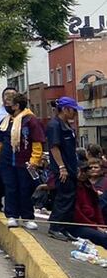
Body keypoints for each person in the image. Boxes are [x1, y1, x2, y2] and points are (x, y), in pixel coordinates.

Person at [0, 92, 45, 230]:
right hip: (7, 161)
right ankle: (12, 216)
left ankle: (27, 217)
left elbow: (37, 142)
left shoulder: (30, 120)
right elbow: (1, 142)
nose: (6, 106)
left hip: (25, 162)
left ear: (16, 106)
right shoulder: (5, 121)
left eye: (8, 103)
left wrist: (34, 160)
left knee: (25, 189)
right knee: (10, 188)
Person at [48, 96, 83, 241]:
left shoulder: (67, 125)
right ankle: (55, 228)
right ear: (65, 109)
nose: (75, 113)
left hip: (71, 168)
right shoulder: (55, 125)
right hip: (63, 169)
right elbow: (54, 147)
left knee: (70, 199)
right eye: (73, 110)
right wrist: (61, 167)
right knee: (63, 198)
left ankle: (64, 228)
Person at [71, 159, 107, 247]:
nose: (82, 174)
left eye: (85, 171)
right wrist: (96, 227)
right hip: (79, 225)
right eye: (80, 172)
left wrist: (102, 225)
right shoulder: (73, 188)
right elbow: (77, 214)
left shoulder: (89, 187)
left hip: (92, 223)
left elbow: (97, 209)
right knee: (103, 237)